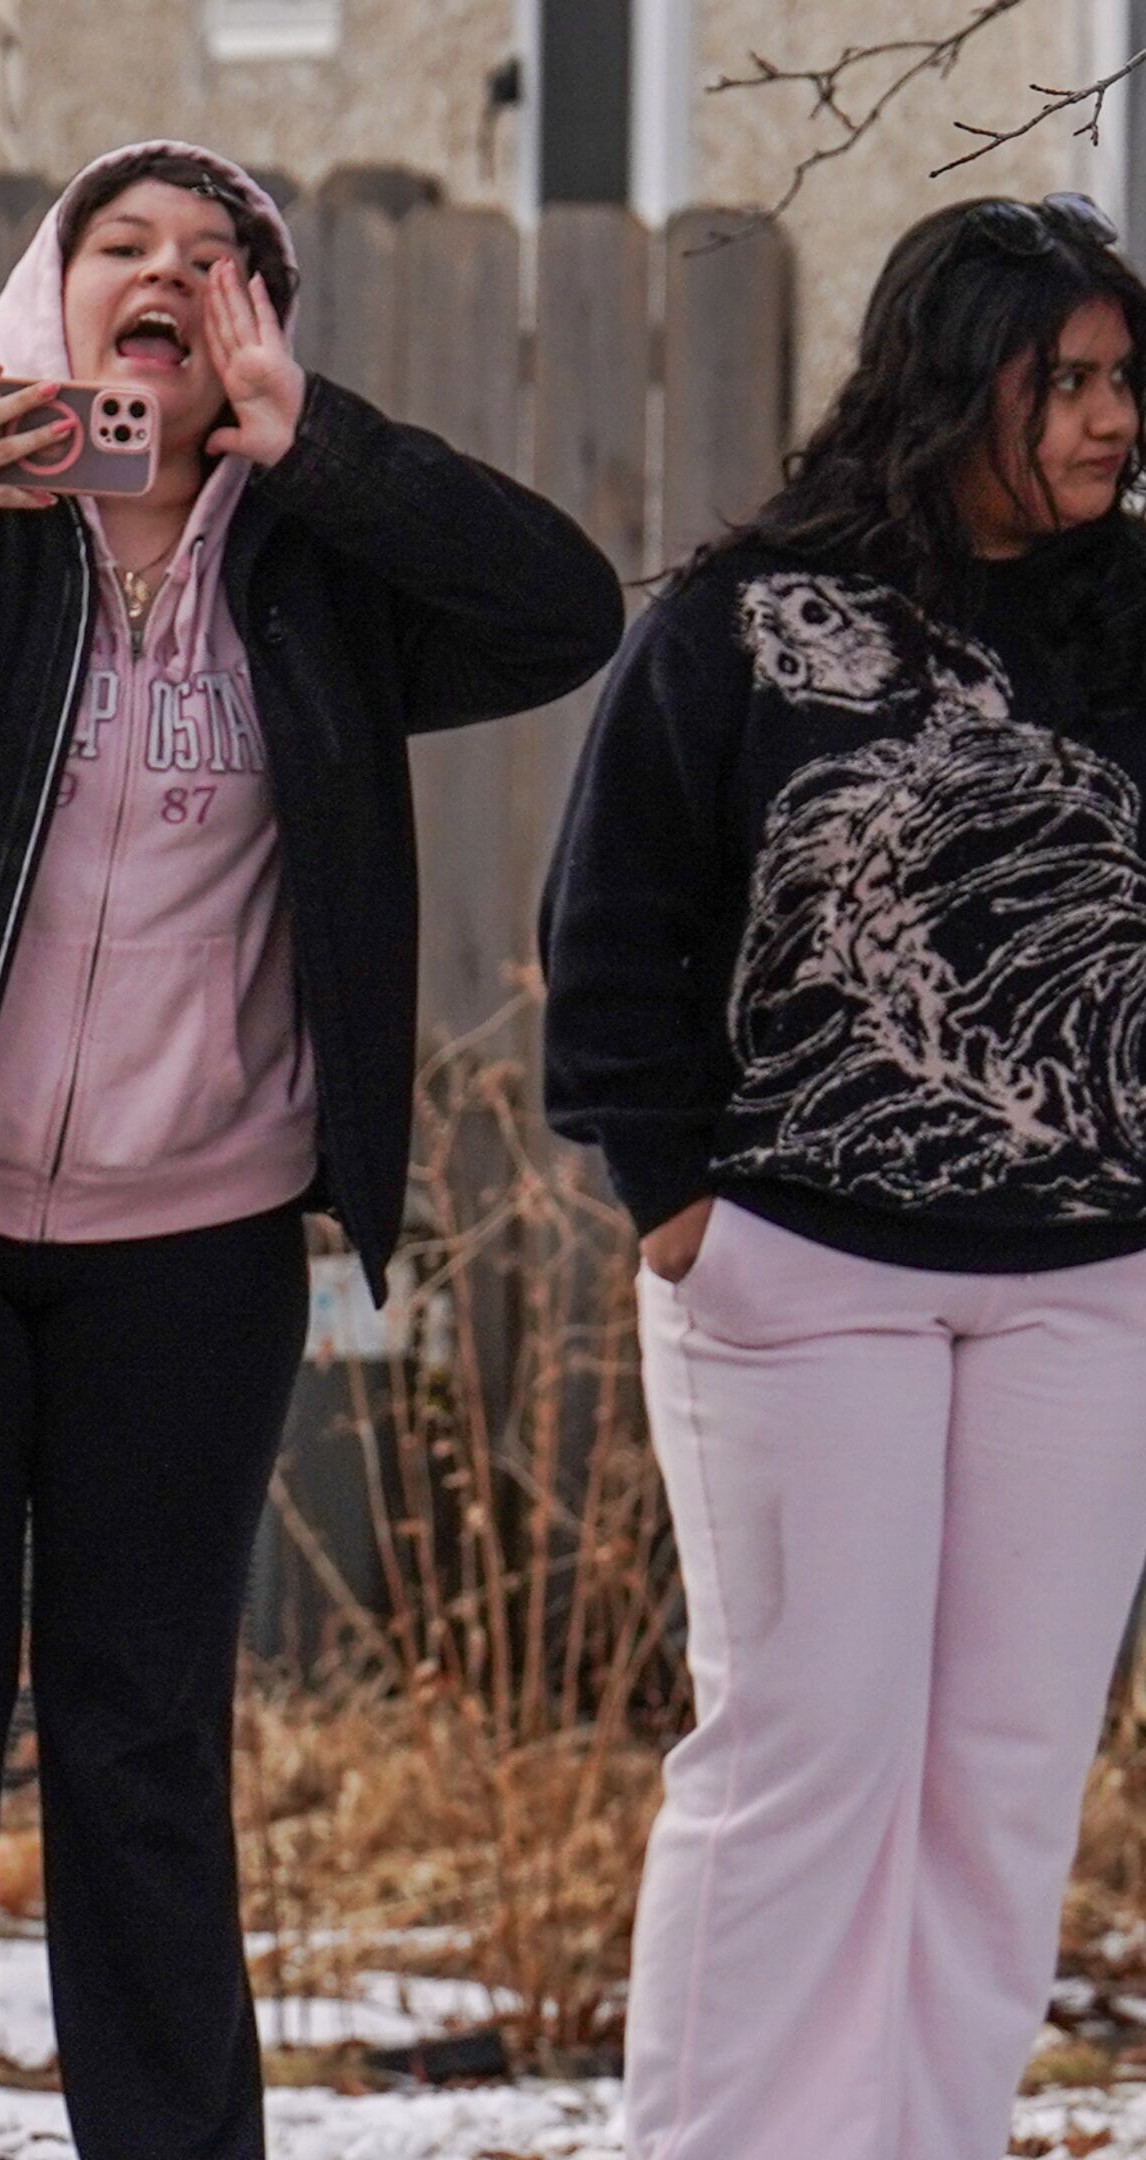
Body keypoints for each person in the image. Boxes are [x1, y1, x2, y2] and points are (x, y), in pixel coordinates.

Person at [0, 141, 623, 2158]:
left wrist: (323, 446)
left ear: (254, 322)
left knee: (141, 1752)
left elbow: (566, 612)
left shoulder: (317, 554)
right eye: (127, 248)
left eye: (218, 259)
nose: (168, 277)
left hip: (188, 1255)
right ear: (55, 290)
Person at [543, 194, 1146, 2160]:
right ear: (948, 384)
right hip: (802, 1267)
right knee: (812, 1753)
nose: (1108, 419)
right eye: (1067, 380)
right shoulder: (736, 626)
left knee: (1004, 1774)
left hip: (1091, 1274)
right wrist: (677, 1203)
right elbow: (614, 929)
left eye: (1128, 380)